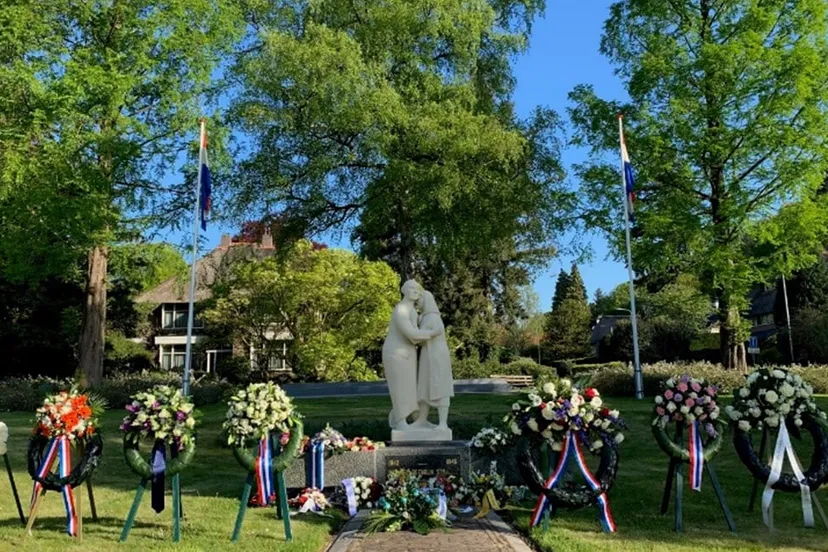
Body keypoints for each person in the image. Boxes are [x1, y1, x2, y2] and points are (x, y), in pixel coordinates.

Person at [382, 280, 439, 430]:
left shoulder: (413, 311)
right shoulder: (401, 309)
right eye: (411, 288)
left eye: (417, 289)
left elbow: (416, 337)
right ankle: (401, 422)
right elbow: (412, 335)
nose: (415, 291)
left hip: (408, 354)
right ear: (404, 291)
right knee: (400, 387)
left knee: (412, 388)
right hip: (396, 353)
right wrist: (434, 333)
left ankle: (418, 420)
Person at [413, 290, 454, 430]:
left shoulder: (432, 317)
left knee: (440, 386)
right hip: (427, 355)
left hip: (437, 356)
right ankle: (422, 419)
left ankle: (443, 423)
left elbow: (420, 336)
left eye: (419, 299)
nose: (417, 302)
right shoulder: (424, 317)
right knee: (424, 386)